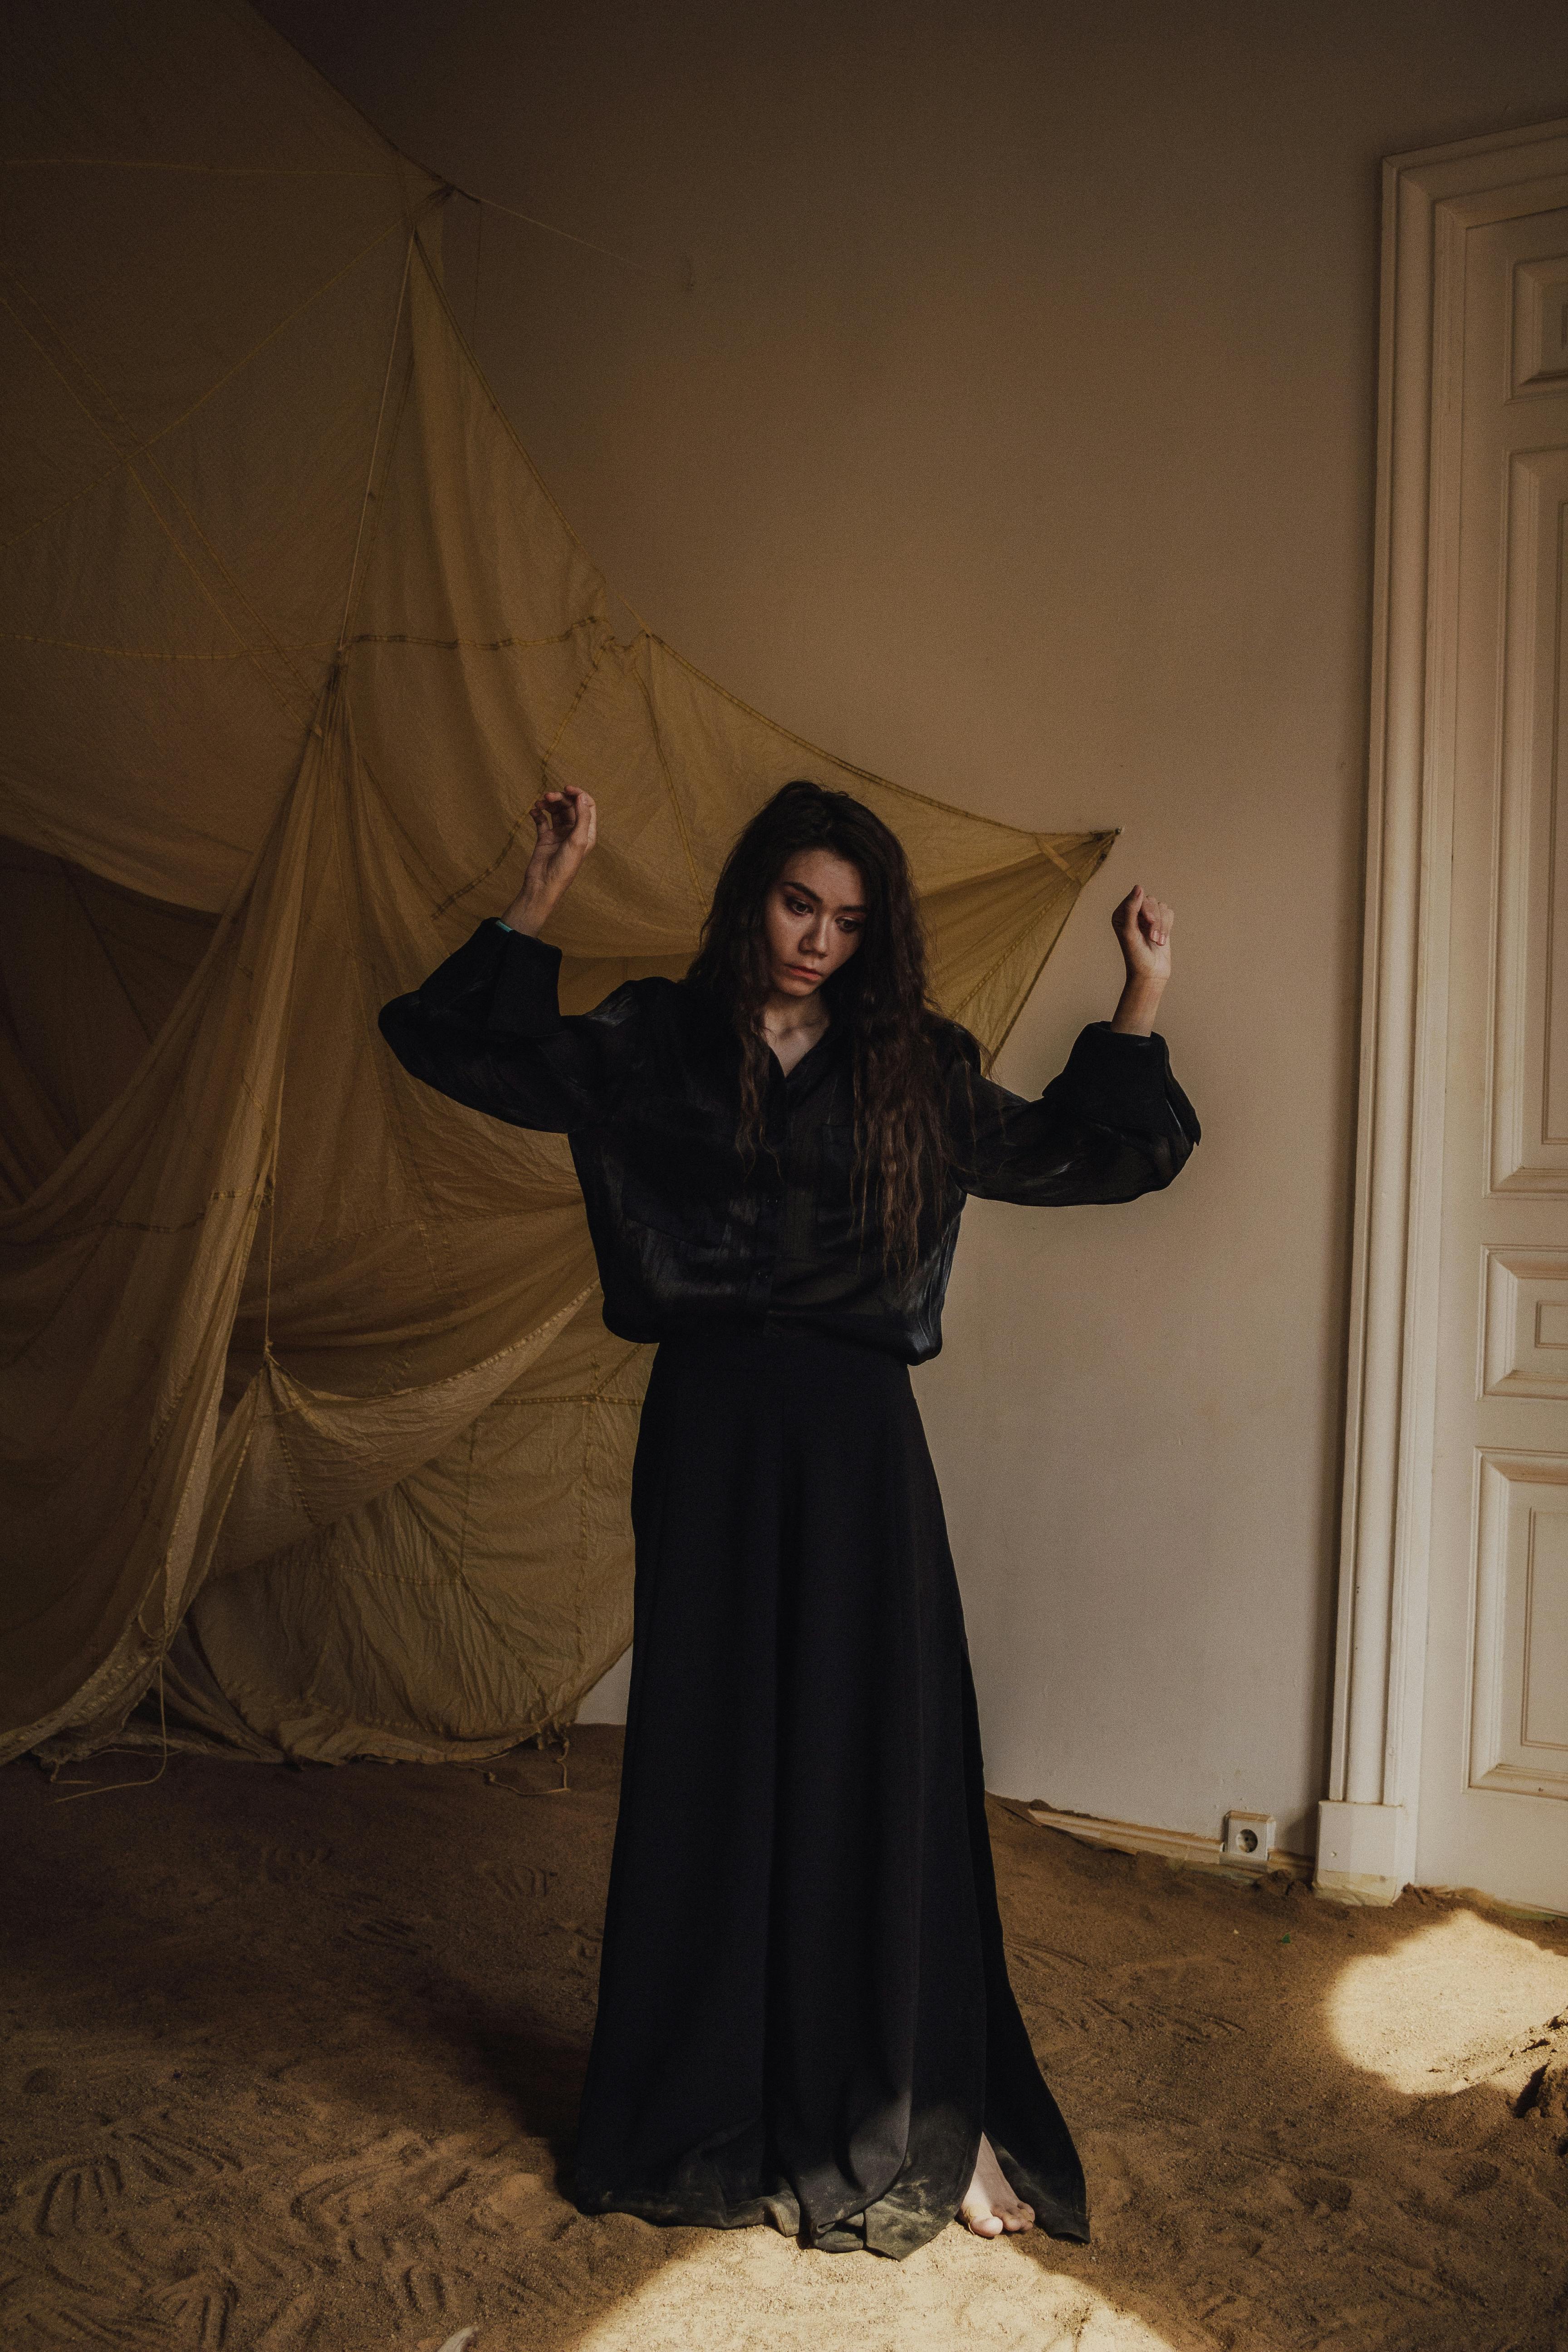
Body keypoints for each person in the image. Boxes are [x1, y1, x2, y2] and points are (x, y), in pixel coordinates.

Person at [377, 776, 1198, 2260]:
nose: (817, 940)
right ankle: (703, 2098)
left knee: (876, 1755)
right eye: (796, 905)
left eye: (848, 920)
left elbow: (1091, 1155)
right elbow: (462, 1050)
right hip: (707, 1431)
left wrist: (1141, 994)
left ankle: (905, 2109)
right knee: (714, 1750)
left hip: (857, 1449)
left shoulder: (917, 1070)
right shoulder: (654, 1040)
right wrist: (542, 888)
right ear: (751, 897)